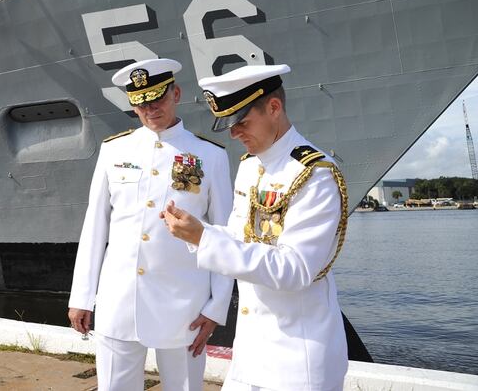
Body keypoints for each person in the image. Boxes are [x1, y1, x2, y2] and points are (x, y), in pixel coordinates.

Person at [161, 64, 350, 391]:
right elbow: (238, 239)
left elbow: (295, 270)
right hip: (251, 352)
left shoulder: (315, 175)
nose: (234, 134)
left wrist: (204, 239)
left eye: (242, 122)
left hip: (297, 359)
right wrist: (196, 234)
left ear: (274, 108)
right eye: (229, 126)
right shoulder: (250, 167)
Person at [68, 58, 234, 391]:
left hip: (185, 307)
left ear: (176, 93)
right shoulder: (114, 151)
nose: (150, 108)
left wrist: (216, 308)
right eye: (141, 102)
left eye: (157, 97)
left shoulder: (210, 156)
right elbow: (95, 225)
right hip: (120, 302)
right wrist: (82, 296)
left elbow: (224, 235)